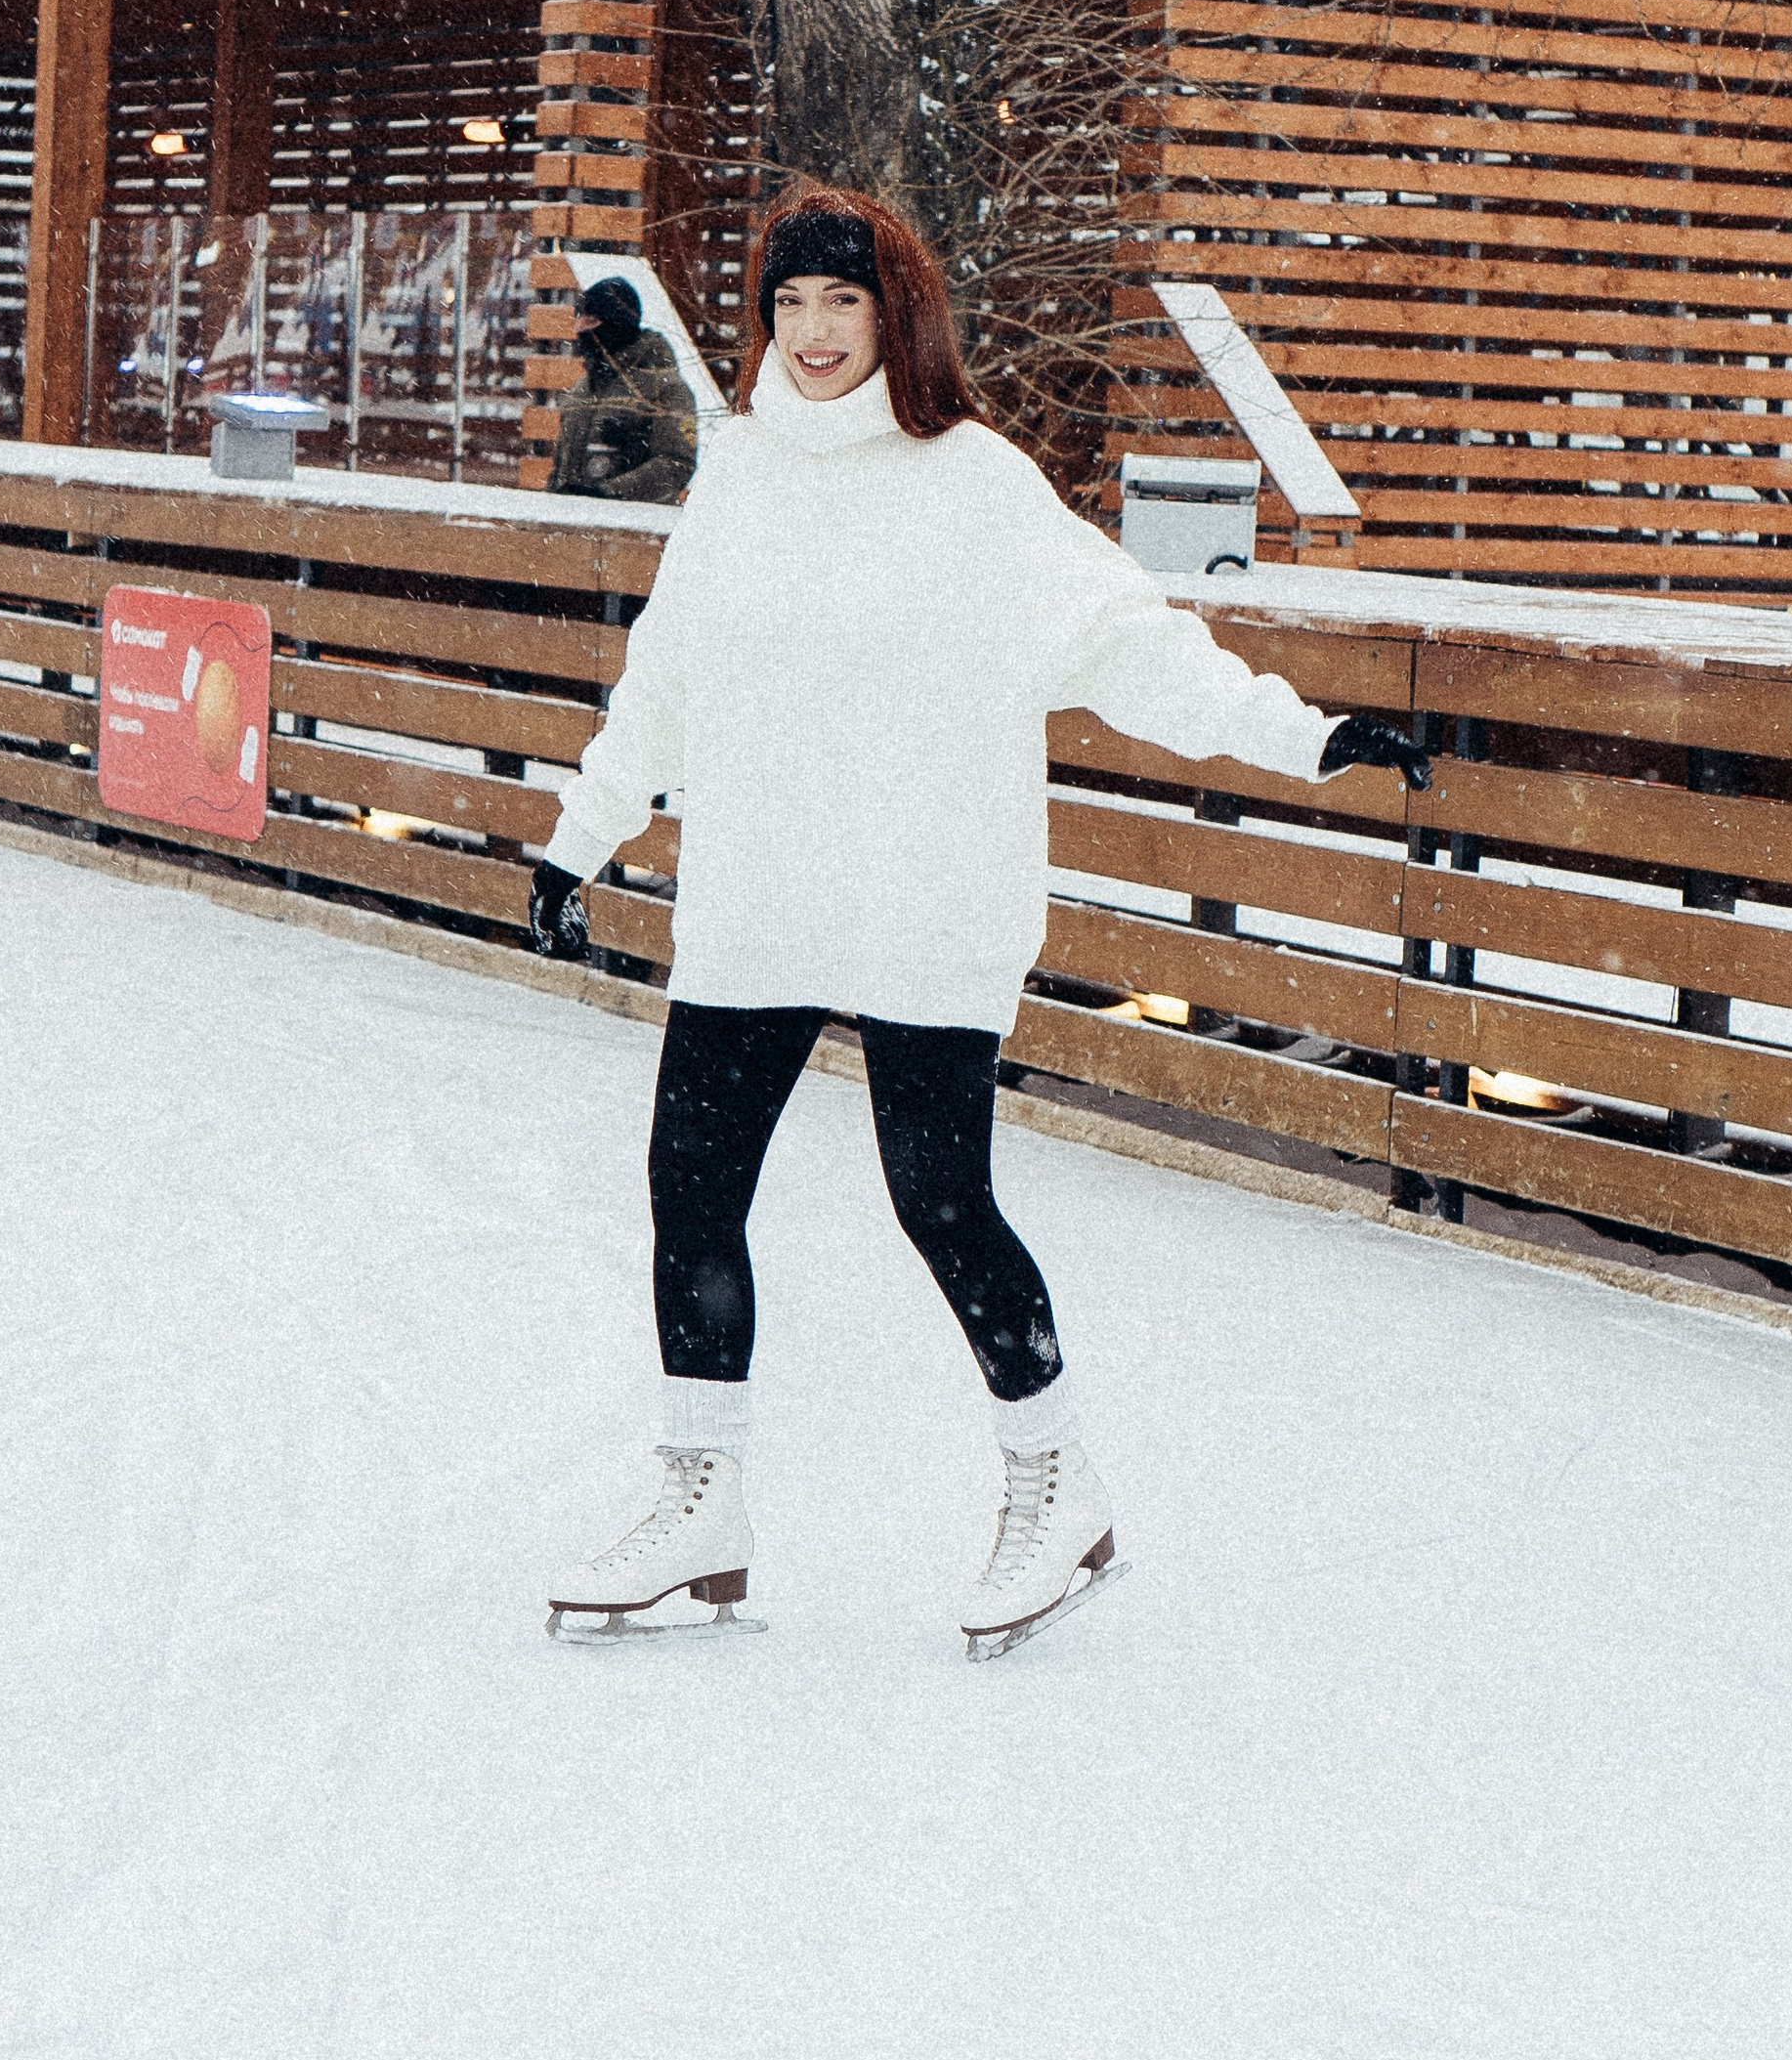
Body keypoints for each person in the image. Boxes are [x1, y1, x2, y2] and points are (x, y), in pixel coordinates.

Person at [527, 187, 1428, 1657]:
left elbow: (1130, 643)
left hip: (926, 895)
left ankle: (1055, 1481)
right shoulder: (740, 475)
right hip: (761, 889)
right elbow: (669, 676)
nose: (813, 334)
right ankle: (704, 1503)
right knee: (690, 1187)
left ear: (895, 313)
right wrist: (581, 840)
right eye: (790, 306)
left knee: (938, 1202)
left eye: (842, 303)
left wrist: (1303, 737)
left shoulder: (973, 485)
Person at [546, 275, 699, 506]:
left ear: (615, 325)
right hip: (571, 524)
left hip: (632, 528)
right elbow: (561, 470)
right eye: (580, 319)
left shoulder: (664, 389)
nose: (579, 329)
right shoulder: (582, 389)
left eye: (591, 321)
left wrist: (609, 494)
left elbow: (676, 464)